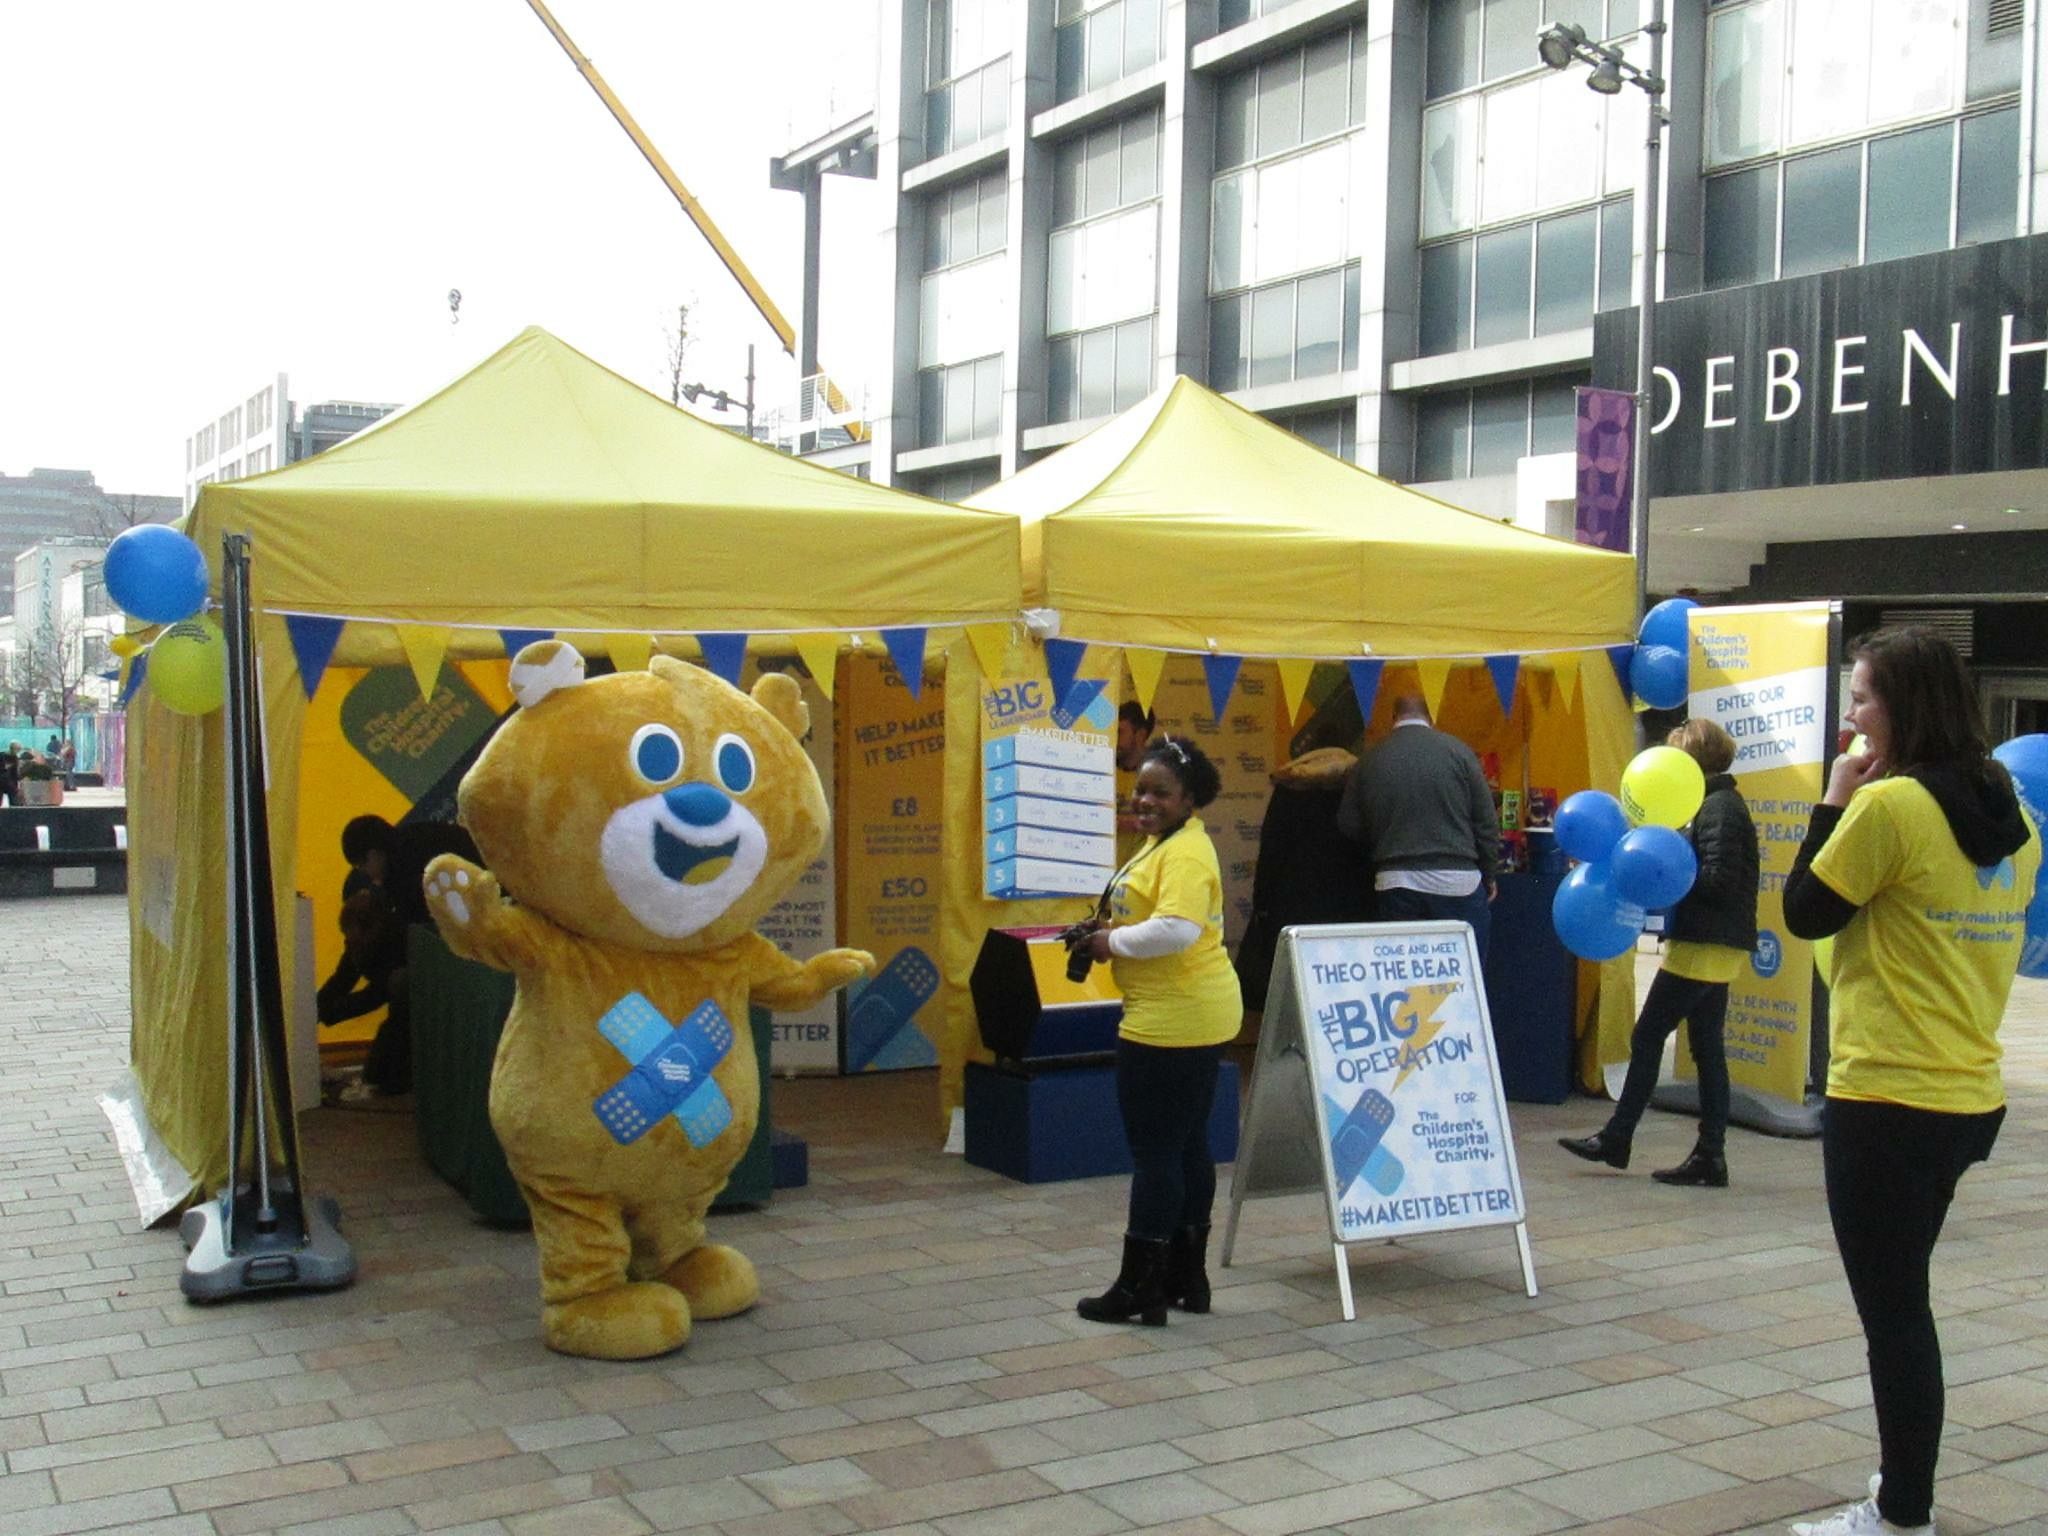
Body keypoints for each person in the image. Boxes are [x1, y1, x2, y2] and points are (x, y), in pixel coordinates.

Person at [1781, 627, 2039, 1536]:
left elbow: (1805, 909)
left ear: (1904, 705)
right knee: (1903, 1302)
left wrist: (1831, 802)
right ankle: (1903, 1481)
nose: (1850, 715)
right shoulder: (2013, 817)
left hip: (1886, 1093)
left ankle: (1902, 1512)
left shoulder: (1889, 809)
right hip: (1968, 1094)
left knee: (1894, 1318)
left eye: (1860, 698)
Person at [1069, 734, 1241, 1326]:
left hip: (1173, 1018)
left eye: (1159, 792)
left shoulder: (1186, 853)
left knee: (1156, 1154)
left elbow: (1177, 929)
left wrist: (1107, 941)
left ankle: (1140, 1287)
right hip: (1189, 1011)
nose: (1144, 800)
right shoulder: (1163, 843)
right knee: (1187, 1146)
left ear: (1190, 798)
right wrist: (1109, 924)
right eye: (1139, 788)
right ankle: (1185, 1280)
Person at [1559, 718, 1759, 1187]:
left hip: (1705, 944)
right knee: (1707, 1050)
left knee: (1648, 1036)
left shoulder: (1717, 809)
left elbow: (1718, 878)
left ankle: (1619, 1137)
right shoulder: (1714, 804)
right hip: (1711, 942)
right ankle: (1709, 1155)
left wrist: (1667, 879)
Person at [1336, 692, 1500, 959]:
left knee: (1403, 978)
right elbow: (1486, 822)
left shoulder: (1371, 759)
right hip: (1458, 882)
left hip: (1397, 880)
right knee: (1462, 975)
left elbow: (1348, 824)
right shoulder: (1460, 752)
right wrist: (1489, 874)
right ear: (1430, 717)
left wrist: (1383, 838)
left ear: (1393, 719)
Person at [316, 887, 412, 1096]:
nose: (348, 942)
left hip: (408, 1004)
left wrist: (330, 1012)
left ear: (370, 929)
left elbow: (378, 994)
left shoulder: (396, 939)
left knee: (393, 1034)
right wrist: (314, 1008)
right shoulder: (357, 943)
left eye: (352, 936)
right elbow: (342, 979)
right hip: (393, 995)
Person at [339, 814, 480, 927]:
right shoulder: (416, 832)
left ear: (373, 855)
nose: (365, 872)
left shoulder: (403, 880)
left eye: (362, 865)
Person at [1113, 700, 1155, 866]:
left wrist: (1126, 822)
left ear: (1140, 735)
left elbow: (1179, 824)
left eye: (1119, 732)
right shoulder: (1104, 771)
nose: (1112, 739)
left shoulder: (1164, 777)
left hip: (1142, 878)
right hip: (1102, 880)